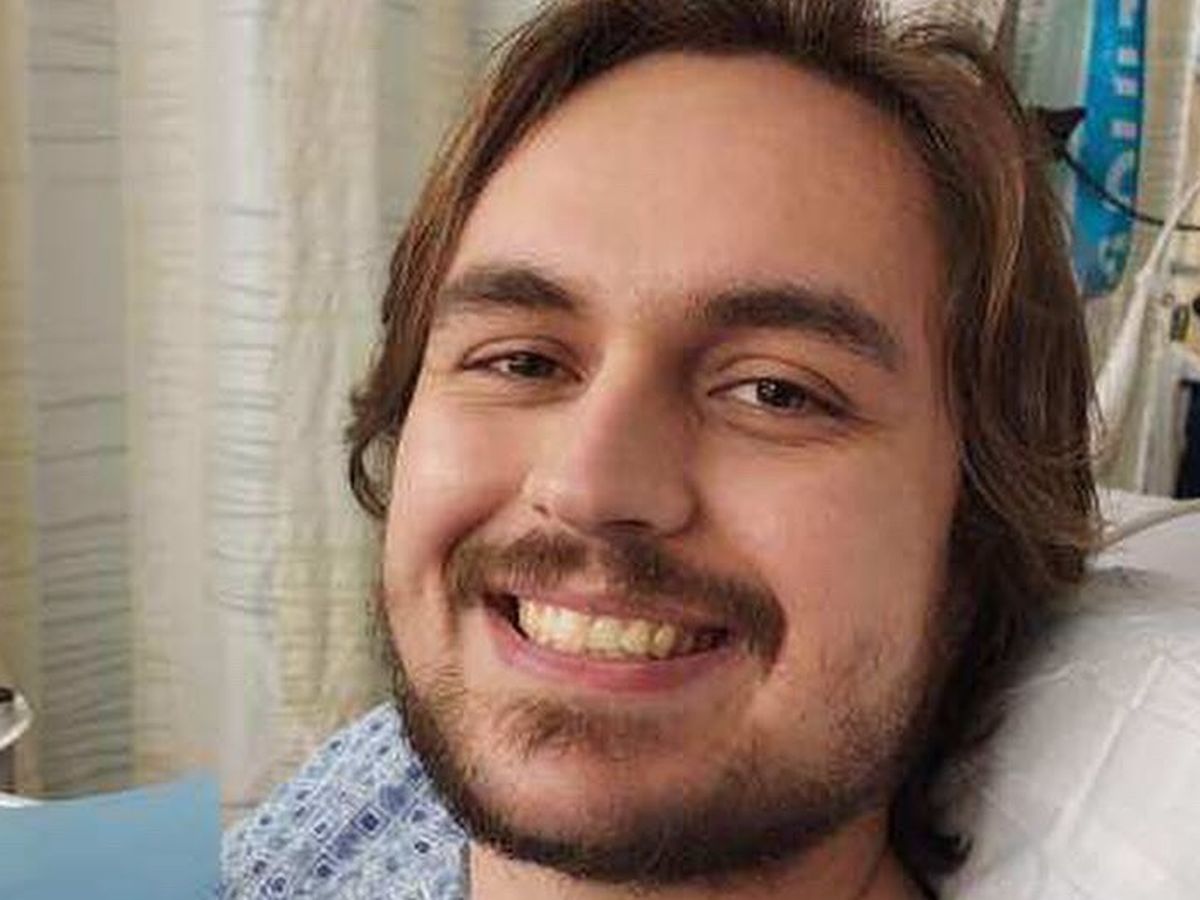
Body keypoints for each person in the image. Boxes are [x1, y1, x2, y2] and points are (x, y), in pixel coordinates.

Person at [221, 1, 1097, 898]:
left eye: (776, 392)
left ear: (977, 538)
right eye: (522, 361)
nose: (588, 484)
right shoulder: (369, 786)